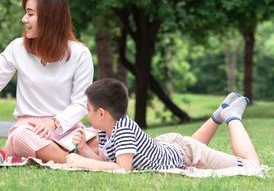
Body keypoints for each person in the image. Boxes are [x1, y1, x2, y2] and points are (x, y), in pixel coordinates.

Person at [0, 0, 95, 163]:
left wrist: (54, 122)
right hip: (29, 132)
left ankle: (70, 155)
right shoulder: (17, 48)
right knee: (19, 136)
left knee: (102, 136)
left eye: (30, 14)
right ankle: (75, 160)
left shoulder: (80, 54)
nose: (24, 19)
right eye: (25, 13)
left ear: (50, 19)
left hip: (65, 129)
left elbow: (81, 104)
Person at [67, 78, 261, 171]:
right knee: (188, 145)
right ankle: (218, 115)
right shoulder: (104, 130)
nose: (86, 113)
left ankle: (232, 116)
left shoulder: (123, 129)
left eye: (88, 109)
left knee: (252, 167)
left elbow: (122, 169)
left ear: (102, 113)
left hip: (186, 153)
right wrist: (84, 148)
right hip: (170, 147)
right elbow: (106, 161)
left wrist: (84, 162)